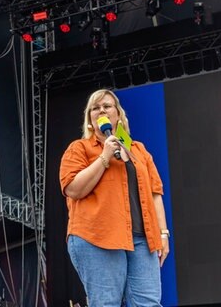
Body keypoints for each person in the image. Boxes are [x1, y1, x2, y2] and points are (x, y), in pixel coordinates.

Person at [59, 89, 169, 306]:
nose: (101, 110)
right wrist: (104, 157)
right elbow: (73, 189)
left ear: (118, 114)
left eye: (107, 106)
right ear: (90, 118)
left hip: (142, 239)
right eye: (95, 108)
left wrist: (163, 234)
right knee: (106, 303)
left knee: (149, 303)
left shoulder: (139, 150)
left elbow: (155, 193)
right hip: (97, 236)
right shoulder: (79, 149)